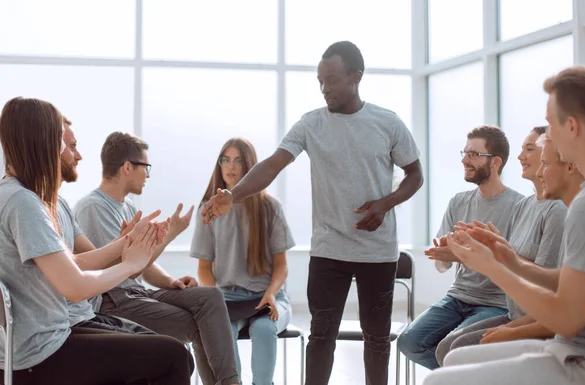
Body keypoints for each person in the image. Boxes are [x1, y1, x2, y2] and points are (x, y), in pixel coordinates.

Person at [201, 41, 423, 385]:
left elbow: (415, 175)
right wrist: (234, 194)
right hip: (328, 251)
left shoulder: (387, 122)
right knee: (321, 339)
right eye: (320, 81)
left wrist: (384, 204)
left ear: (356, 77)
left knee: (377, 340)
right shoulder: (311, 124)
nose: (325, 89)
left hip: (377, 252)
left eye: (332, 80)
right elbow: (274, 163)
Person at [424, 65, 585, 385]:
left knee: (439, 380)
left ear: (571, 126)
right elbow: (570, 281)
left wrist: (493, 268)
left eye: (549, 123)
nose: (546, 135)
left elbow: (566, 318)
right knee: (453, 356)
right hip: (572, 348)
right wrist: (509, 258)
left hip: (583, 358)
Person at [0, 96, 191, 384]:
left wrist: (125, 244)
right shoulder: (23, 203)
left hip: (48, 339)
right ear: (43, 143)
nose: (67, 150)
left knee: (167, 351)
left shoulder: (15, 195)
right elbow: (76, 288)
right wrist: (130, 264)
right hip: (41, 354)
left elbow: (72, 263)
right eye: (61, 141)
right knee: (174, 356)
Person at [74, 131, 240, 385]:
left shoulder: (127, 206)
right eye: (145, 167)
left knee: (210, 296)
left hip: (138, 293)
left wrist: (170, 282)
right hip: (115, 300)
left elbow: (143, 266)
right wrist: (170, 234)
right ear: (128, 167)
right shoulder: (92, 208)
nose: (148, 175)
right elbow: (127, 268)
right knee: (200, 325)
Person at [435, 127, 566, 365]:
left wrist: (495, 257)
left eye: (529, 149)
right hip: (513, 313)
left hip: (532, 319)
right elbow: (511, 257)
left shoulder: (557, 210)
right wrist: (492, 248)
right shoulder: (525, 205)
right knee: (444, 348)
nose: (519, 156)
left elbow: (545, 282)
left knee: (454, 351)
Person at [397, 125, 523, 370]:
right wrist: (447, 253)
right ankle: (469, 376)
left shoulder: (520, 206)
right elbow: (442, 265)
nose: (465, 160)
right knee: (409, 342)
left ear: (495, 162)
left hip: (496, 302)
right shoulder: (458, 201)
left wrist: (467, 254)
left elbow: (516, 265)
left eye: (474, 154)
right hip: (457, 297)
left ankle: (462, 374)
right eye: (464, 153)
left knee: (453, 349)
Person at [192, 138, 295, 385]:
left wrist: (271, 294)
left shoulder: (270, 207)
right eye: (225, 159)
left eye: (238, 160)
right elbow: (204, 268)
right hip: (227, 298)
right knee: (222, 334)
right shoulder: (208, 210)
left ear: (249, 165)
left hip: (269, 297)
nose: (231, 166)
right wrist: (215, 298)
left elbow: (282, 265)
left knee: (263, 329)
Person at [60, 116, 161, 335]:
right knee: (175, 353)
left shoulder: (60, 205)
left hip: (85, 313)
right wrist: (129, 252)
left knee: (205, 301)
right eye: (71, 146)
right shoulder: (90, 206)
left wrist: (128, 240)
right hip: (76, 321)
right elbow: (78, 283)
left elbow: (86, 260)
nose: (79, 155)